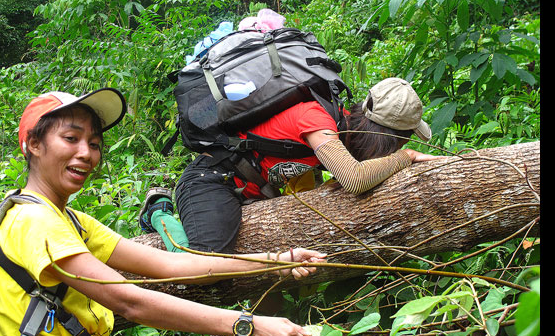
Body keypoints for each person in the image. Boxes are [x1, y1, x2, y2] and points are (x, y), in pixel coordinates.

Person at [0, 88, 326, 336]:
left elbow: (174, 264)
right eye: (71, 138)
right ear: (34, 144)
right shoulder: (34, 220)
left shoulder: (69, 219)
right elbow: (128, 302)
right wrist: (245, 325)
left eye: (93, 144)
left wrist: (275, 262)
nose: (86, 153)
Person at [143, 77, 441, 255]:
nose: (398, 150)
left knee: (269, 300)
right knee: (199, 262)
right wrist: (408, 158)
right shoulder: (317, 120)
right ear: (386, 138)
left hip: (252, 192)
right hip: (211, 181)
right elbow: (354, 179)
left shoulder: (339, 129)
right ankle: (159, 209)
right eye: (399, 144)